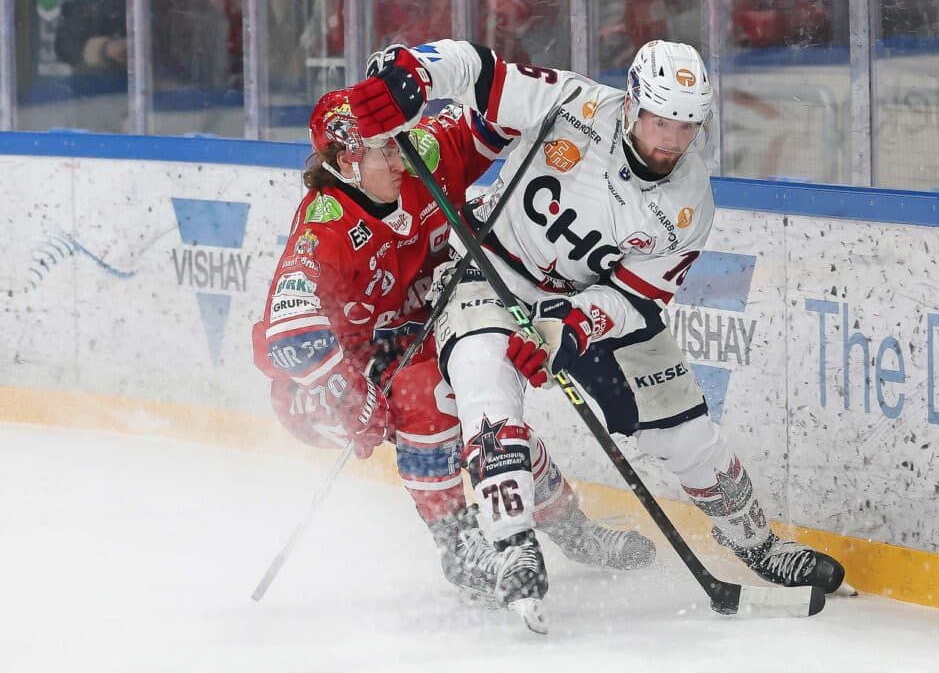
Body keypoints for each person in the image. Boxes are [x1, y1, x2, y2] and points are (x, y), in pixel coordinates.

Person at [346, 39, 846, 619]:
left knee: (684, 436)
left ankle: (755, 542)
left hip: (587, 303)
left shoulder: (690, 204)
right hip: (489, 268)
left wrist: (572, 328)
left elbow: (639, 296)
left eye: (685, 128)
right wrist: (414, 71)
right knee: (485, 385)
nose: (670, 141)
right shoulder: (570, 102)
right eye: (660, 120)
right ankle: (513, 543)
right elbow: (478, 71)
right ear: (632, 103)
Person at [251, 85, 654, 607]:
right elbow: (289, 338)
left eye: (400, 141)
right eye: (384, 149)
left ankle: (571, 529)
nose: (402, 155)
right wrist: (348, 394)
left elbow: (499, 109)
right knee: (430, 394)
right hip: (326, 383)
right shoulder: (323, 228)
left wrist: (567, 108)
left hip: (414, 339)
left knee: (495, 428)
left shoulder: (423, 153)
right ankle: (458, 544)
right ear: (346, 162)